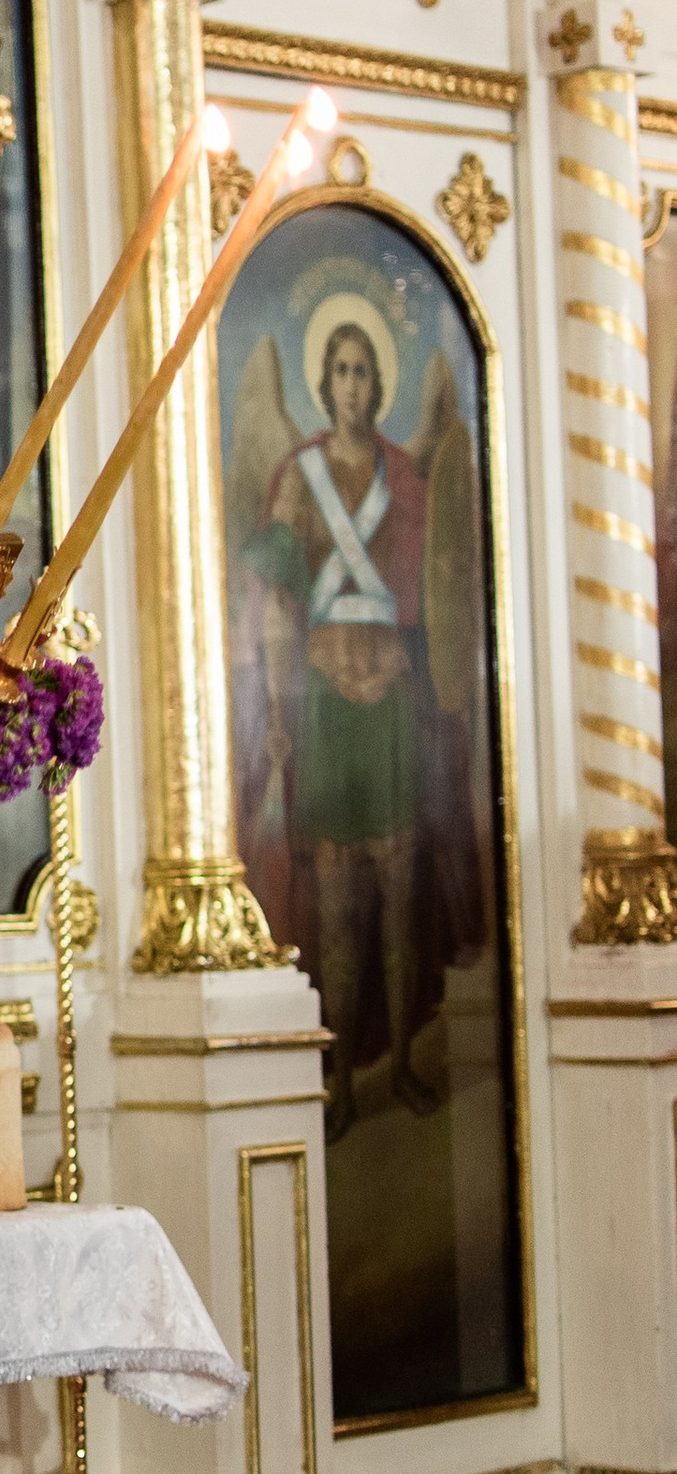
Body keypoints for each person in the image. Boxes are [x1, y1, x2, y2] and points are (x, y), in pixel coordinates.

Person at [242, 312, 478, 1142]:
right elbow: (274, 608)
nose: (352, 384)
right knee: (339, 905)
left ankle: (407, 1062)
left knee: (400, 900)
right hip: (327, 704)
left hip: (393, 701)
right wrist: (274, 714)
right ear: (324, 382)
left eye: (363, 370)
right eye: (339, 370)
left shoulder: (406, 474)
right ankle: (339, 1079)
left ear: (378, 384)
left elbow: (441, 576)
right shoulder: (299, 477)